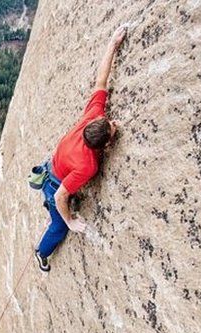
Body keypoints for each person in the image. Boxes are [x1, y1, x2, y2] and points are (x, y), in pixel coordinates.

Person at [35, 26, 127, 272]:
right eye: (112, 127)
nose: (114, 123)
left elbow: (101, 80)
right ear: (106, 145)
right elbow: (60, 196)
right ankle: (41, 253)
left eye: (109, 122)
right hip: (54, 184)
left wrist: (112, 45)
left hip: (54, 167)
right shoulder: (88, 165)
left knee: (61, 201)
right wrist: (71, 221)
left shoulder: (93, 116)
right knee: (59, 226)